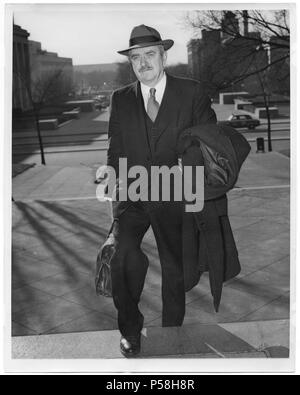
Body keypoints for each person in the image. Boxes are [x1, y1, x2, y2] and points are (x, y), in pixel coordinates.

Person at [106, 24, 217, 357]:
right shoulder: (120, 99)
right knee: (122, 259)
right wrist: (115, 201)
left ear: (163, 56)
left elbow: (208, 139)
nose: (143, 63)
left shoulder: (192, 92)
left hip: (175, 195)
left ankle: (172, 330)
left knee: (175, 270)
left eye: (149, 54)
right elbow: (115, 150)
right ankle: (130, 329)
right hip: (135, 197)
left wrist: (190, 165)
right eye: (136, 58)